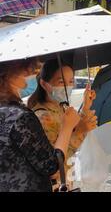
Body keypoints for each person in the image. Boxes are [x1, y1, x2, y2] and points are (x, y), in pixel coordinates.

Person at [0, 59, 80, 192]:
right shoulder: (20, 117)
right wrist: (67, 127)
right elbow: (51, 166)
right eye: (24, 68)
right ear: (9, 72)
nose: (30, 73)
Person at [27, 59, 97, 190]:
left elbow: (73, 131)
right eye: (61, 82)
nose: (68, 86)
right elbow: (54, 162)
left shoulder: (61, 108)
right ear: (44, 84)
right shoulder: (42, 116)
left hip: (67, 181)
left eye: (71, 82)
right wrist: (79, 132)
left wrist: (86, 106)